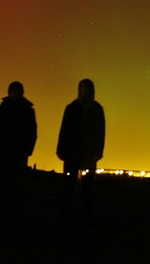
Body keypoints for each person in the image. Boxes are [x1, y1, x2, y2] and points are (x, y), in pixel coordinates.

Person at [56, 78, 106, 228]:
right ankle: (64, 219)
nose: (85, 90)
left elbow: (101, 132)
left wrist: (98, 152)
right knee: (68, 188)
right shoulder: (71, 108)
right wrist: (60, 149)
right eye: (82, 87)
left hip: (89, 154)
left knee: (87, 189)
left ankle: (87, 220)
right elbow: (64, 129)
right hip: (72, 153)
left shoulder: (97, 109)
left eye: (87, 88)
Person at [0, 81, 37, 220]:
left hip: (20, 154)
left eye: (17, 92)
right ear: (9, 93)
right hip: (3, 153)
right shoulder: (0, 110)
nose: (15, 94)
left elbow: (32, 132)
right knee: (1, 185)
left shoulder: (28, 111)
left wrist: (27, 151)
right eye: (13, 91)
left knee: (18, 187)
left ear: (21, 93)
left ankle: (17, 214)